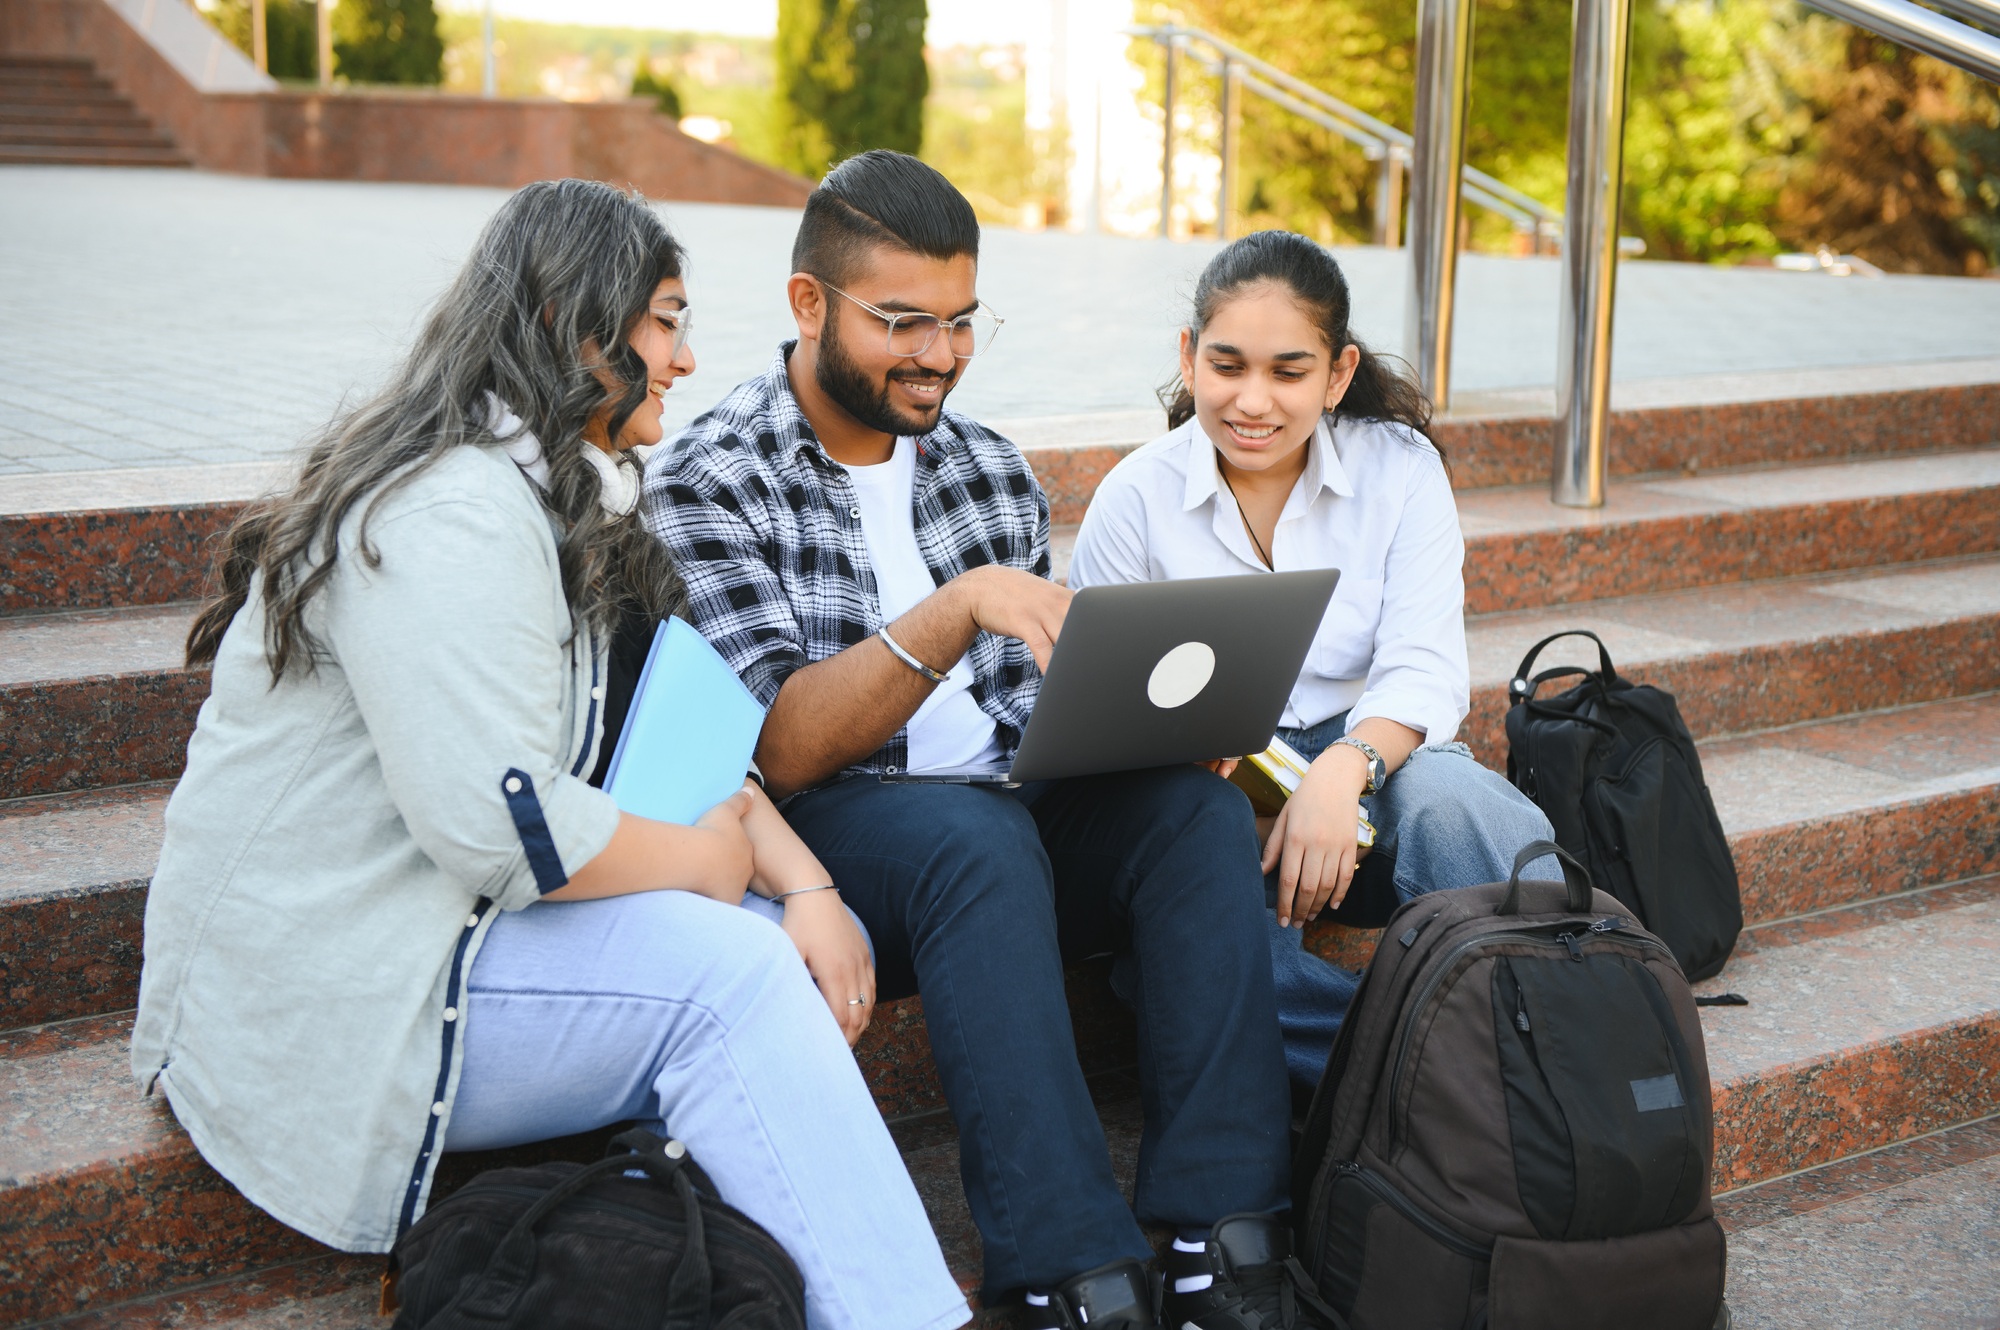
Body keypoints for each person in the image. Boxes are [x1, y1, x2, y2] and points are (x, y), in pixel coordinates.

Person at [130, 179, 969, 1330]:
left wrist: (793, 879)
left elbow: (647, 735)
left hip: (433, 923)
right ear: (584, 333)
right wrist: (698, 863)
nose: (682, 358)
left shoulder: (539, 489)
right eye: (666, 320)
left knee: (760, 949)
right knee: (732, 975)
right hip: (333, 981)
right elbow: (495, 825)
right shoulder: (450, 514)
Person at [641, 152, 1316, 1330]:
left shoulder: (983, 464)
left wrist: (1148, 736)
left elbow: (1028, 720)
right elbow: (779, 749)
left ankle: (1227, 1229)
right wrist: (951, 610)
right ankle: (1068, 1264)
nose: (939, 355)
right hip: (836, 834)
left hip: (1000, 813)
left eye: (959, 321)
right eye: (902, 322)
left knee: (1190, 813)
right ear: (809, 305)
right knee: (974, 840)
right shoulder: (710, 475)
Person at [1068, 230, 1558, 1095]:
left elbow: (1424, 669)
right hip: (1216, 782)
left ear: (1337, 375)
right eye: (1228, 365)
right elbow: (1105, 703)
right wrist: (1211, 787)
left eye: (1289, 372)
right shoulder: (1136, 496)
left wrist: (1343, 771)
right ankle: (1430, 1070)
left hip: (1370, 762)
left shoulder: (1398, 470)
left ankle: (1570, 1004)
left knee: (1463, 805)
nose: (1253, 401)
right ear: (1189, 359)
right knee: (1198, 947)